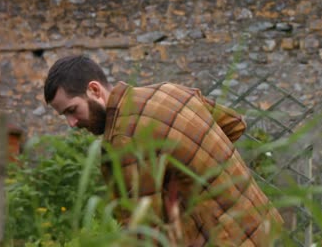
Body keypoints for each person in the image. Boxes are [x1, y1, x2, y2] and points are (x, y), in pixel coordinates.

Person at [43, 55, 283, 246]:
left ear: (94, 90)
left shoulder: (123, 138)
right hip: (263, 225)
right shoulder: (168, 91)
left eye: (72, 110)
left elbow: (143, 235)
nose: (71, 123)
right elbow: (234, 124)